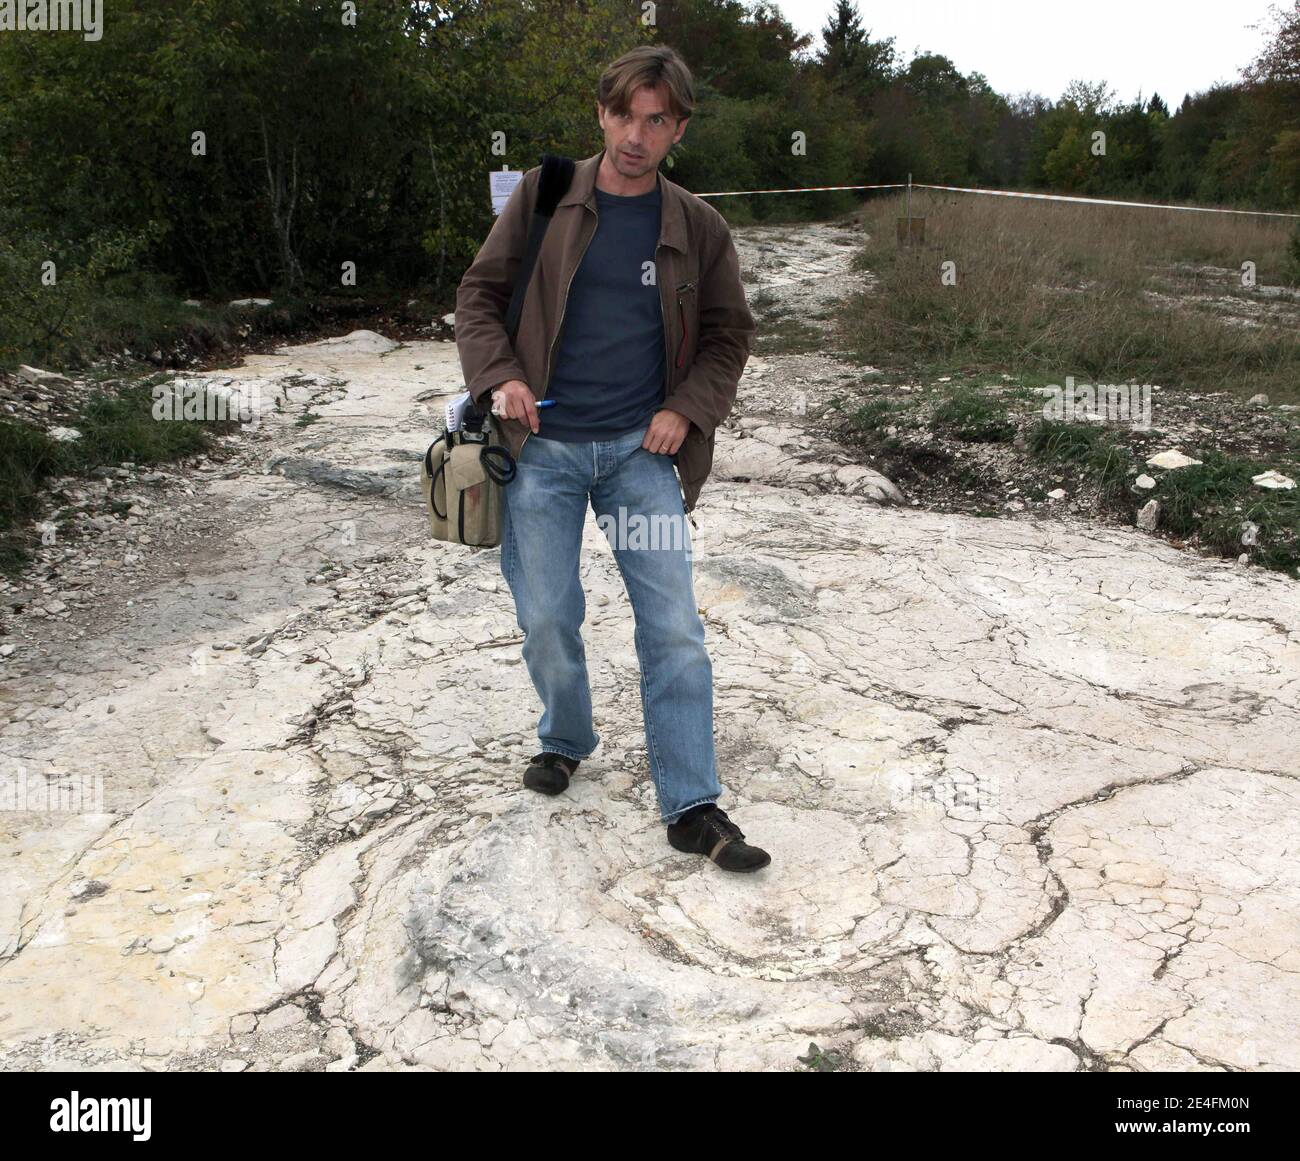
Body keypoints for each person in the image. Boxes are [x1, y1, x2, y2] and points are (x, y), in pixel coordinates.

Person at [454, 45, 769, 872]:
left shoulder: (696, 226)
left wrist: (685, 409)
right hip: (543, 453)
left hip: (638, 457)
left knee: (673, 628)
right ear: (602, 113)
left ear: (679, 128)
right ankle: (565, 737)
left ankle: (693, 805)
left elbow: (729, 335)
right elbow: (478, 297)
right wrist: (500, 377)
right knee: (549, 615)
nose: (637, 134)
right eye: (625, 113)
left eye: (656, 118)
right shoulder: (545, 195)